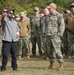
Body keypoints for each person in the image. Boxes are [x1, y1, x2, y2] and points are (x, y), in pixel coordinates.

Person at [46, 3, 65, 70]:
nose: (48, 9)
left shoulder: (59, 15)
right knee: (50, 51)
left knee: (57, 51)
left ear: (53, 8)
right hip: (48, 36)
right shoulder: (48, 16)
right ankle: (51, 65)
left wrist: (59, 34)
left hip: (55, 36)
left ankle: (61, 65)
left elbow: (62, 26)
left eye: (49, 8)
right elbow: (46, 25)